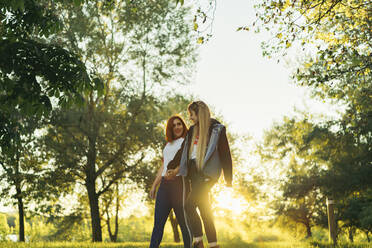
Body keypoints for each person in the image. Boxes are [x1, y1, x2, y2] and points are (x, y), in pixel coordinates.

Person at [166, 101, 233, 248]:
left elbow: (225, 153)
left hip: (207, 174)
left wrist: (228, 179)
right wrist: (171, 165)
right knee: (204, 209)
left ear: (199, 113)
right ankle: (214, 244)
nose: (190, 117)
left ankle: (197, 241)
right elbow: (183, 150)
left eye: (192, 114)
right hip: (193, 174)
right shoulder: (192, 130)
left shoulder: (217, 130)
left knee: (189, 206)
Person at [149, 115, 193, 248]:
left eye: (179, 124)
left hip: (179, 184)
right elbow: (163, 166)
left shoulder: (186, 141)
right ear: (170, 128)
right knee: (158, 224)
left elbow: (187, 161)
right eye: (173, 125)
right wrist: (154, 186)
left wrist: (175, 171)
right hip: (164, 186)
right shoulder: (168, 145)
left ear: (183, 125)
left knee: (184, 223)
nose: (177, 127)